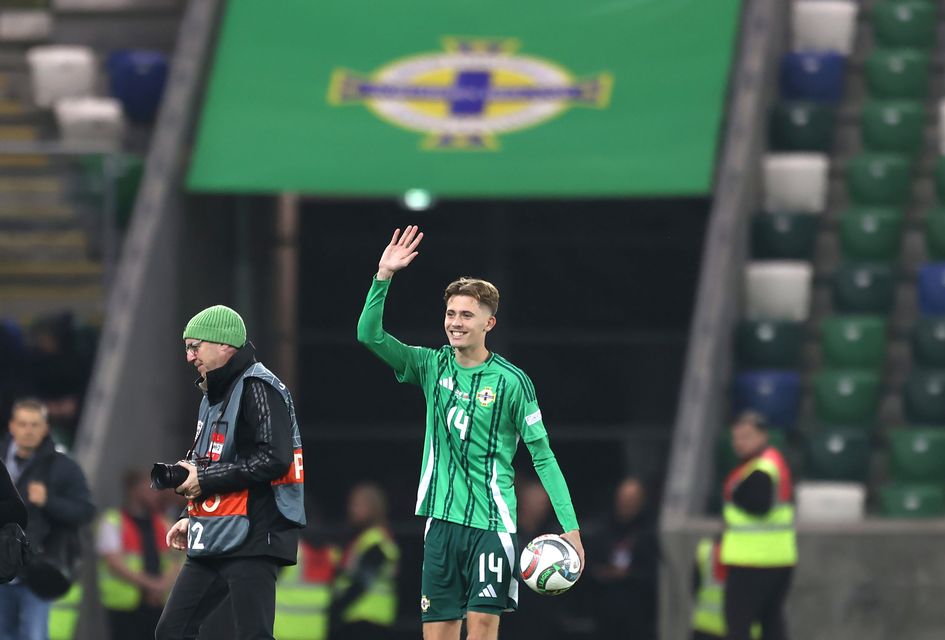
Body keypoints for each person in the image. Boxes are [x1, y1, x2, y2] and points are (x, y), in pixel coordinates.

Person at [356, 226, 584, 640]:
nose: (455, 323)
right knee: (439, 634)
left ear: (488, 323)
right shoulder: (430, 365)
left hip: (492, 524)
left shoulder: (512, 383)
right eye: (450, 314)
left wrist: (570, 528)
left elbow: (543, 457)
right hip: (440, 524)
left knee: (480, 630)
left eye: (466, 315)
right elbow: (368, 335)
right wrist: (383, 276)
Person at [155, 305, 306, 640]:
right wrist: (190, 513)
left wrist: (203, 480)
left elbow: (274, 459)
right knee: (171, 631)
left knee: (253, 634)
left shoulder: (258, 386)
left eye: (195, 346)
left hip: (255, 530)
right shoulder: (213, 393)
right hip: (215, 529)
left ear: (225, 345)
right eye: (187, 348)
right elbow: (208, 461)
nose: (189, 356)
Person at [0, 398, 95, 640]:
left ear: (45, 428)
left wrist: (48, 501)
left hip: (37, 571)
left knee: (34, 635)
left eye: (34, 424)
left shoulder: (64, 467)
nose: (28, 430)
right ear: (11, 426)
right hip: (1, 569)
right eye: (22, 424)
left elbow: (85, 511)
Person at [721, 411, 796, 640]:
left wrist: (736, 492)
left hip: (754, 560)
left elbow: (758, 504)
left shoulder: (762, 469)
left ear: (763, 436)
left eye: (746, 436)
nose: (739, 443)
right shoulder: (771, 461)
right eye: (736, 437)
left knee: (738, 622)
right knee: (771, 623)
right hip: (778, 557)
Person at [97, 469, 179, 640]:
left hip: (159, 604)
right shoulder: (112, 520)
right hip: (124, 606)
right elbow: (115, 563)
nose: (156, 494)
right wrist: (153, 585)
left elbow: (179, 557)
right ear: (134, 491)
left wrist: (163, 585)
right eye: (150, 488)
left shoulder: (164, 523)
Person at [587, 477, 659, 640]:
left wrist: (628, 575)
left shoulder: (650, 533)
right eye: (623, 499)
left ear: (641, 502)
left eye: (632, 500)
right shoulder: (602, 529)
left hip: (638, 615)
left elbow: (655, 574)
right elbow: (589, 566)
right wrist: (601, 572)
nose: (626, 504)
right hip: (605, 614)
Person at [330, 482, 400, 640]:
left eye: (357, 504)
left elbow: (361, 582)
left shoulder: (375, 541)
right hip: (361, 618)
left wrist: (336, 609)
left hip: (367, 620)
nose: (352, 509)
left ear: (373, 508)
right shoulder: (363, 538)